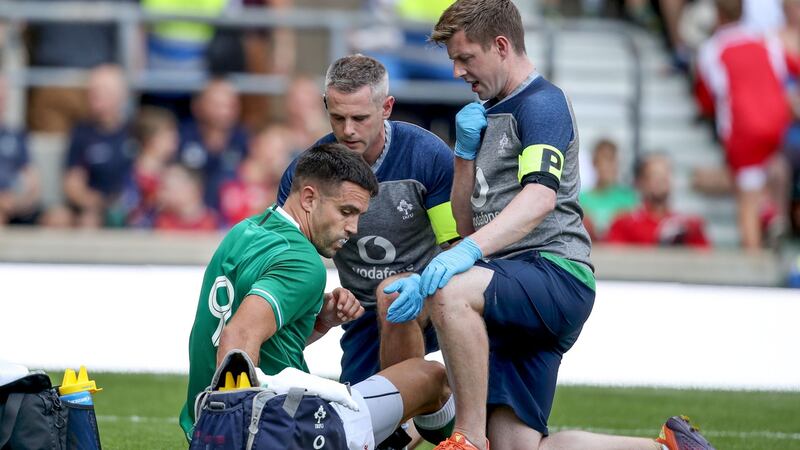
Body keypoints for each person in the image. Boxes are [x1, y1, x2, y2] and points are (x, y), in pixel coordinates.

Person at [385, 1, 717, 449]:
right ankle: (667, 447)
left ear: (501, 46)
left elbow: (539, 199)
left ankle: (466, 436)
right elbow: (465, 224)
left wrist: (464, 257)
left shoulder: (543, 104)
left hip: (554, 273)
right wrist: (464, 156)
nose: (458, 72)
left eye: (466, 58)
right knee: (522, 447)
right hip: (508, 288)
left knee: (451, 290)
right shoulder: (488, 111)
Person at [179, 144, 456, 449]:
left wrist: (320, 320)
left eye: (359, 215)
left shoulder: (244, 232)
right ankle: (466, 436)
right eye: (346, 212)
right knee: (432, 377)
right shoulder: (304, 263)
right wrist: (234, 435)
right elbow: (238, 335)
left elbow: (248, 335)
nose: (353, 228)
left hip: (201, 427)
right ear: (309, 198)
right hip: (280, 431)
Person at [277, 54, 459, 388]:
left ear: (387, 107)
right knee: (363, 427)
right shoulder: (306, 173)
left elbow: (456, 245)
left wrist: (428, 287)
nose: (348, 130)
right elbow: (285, 258)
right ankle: (435, 412)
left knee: (393, 295)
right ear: (325, 106)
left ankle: (428, 407)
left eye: (360, 118)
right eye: (338, 117)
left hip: (431, 301)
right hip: (361, 316)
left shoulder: (427, 156)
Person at [695, 0, 791, 250]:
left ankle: (755, 264)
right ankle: (774, 218)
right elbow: (789, 68)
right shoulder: (767, 41)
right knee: (773, 174)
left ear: (717, 14)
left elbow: (705, 99)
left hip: (745, 129)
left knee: (746, 199)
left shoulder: (711, 49)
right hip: (776, 123)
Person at [62, 65, 135, 228]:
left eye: (102, 91)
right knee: (84, 220)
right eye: (92, 91)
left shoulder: (135, 131)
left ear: (120, 96)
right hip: (95, 208)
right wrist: (98, 204)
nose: (94, 96)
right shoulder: (81, 133)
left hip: (132, 207)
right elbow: (73, 183)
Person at [606, 153, 710, 247]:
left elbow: (706, 259)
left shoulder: (686, 226)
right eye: (654, 176)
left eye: (665, 175)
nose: (661, 181)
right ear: (642, 182)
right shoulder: (624, 224)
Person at [177, 79, 249, 213]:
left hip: (231, 219)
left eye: (229, 105)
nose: (224, 111)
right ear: (197, 106)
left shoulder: (245, 140)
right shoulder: (181, 137)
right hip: (187, 218)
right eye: (217, 105)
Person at [0, 76, 42, 225]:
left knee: (58, 218)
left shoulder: (17, 135)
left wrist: (18, 202)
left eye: (2, 97)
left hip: (15, 204)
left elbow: (33, 182)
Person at [579, 138, 639, 240]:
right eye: (605, 159)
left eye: (613, 159)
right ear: (594, 162)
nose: (610, 166)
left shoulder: (630, 198)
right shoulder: (581, 199)